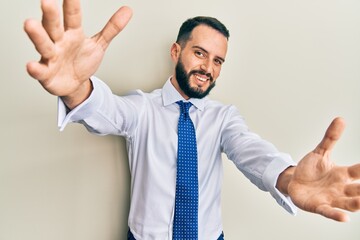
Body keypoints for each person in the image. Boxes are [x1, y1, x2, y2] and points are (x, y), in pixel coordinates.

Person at [24, 0, 360, 239]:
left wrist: (287, 179)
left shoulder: (224, 118)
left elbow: (250, 152)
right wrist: (74, 89)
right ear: (176, 52)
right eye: (200, 53)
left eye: (218, 61)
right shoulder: (143, 109)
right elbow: (106, 110)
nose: (208, 69)